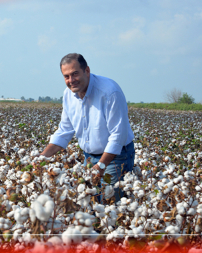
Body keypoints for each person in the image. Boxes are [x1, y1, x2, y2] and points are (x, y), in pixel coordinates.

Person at [40, 53, 135, 202]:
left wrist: (101, 165)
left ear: (87, 71)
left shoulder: (109, 92)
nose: (71, 80)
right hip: (89, 158)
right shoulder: (68, 95)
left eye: (75, 74)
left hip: (116, 158)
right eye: (66, 76)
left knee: (111, 208)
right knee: (90, 204)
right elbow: (64, 131)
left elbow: (118, 135)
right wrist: (41, 158)